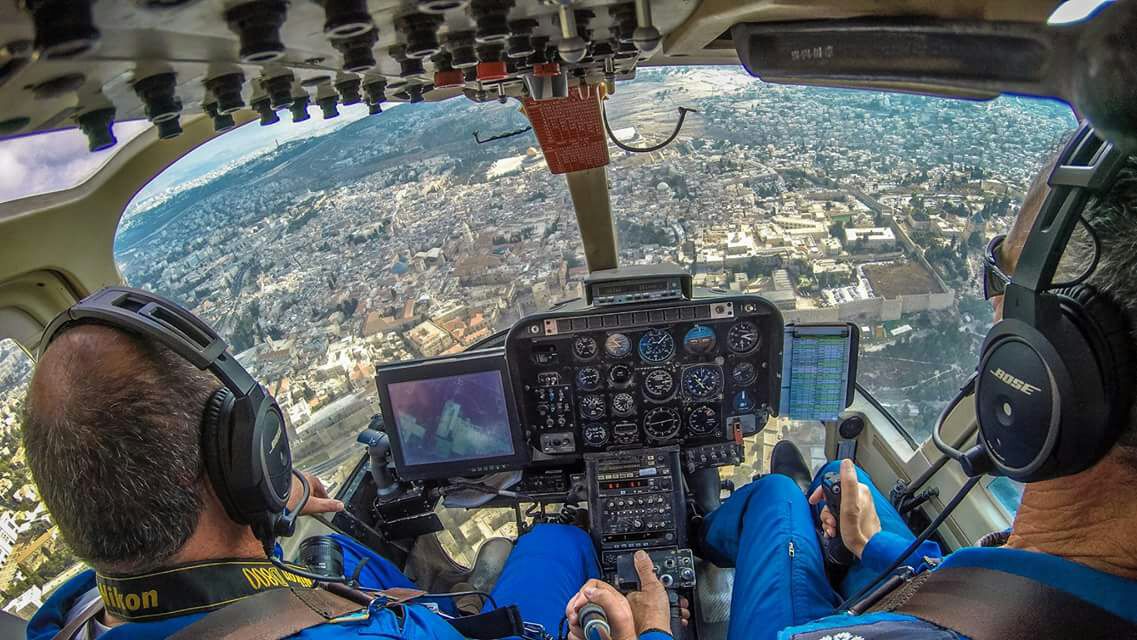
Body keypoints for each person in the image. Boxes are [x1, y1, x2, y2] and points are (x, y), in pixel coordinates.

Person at [565, 147, 1137, 639]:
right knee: (843, 484)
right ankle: (805, 521)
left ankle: (710, 524)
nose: (993, 323)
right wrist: (872, 546)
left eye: (1001, 282)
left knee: (777, 498)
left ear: (1051, 371)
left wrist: (657, 630)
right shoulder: (1067, 573)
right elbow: (965, 579)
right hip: (942, 587)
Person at [20, 322, 609, 640]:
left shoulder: (69, 613)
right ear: (242, 463)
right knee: (554, 543)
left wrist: (281, 499)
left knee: (340, 548)